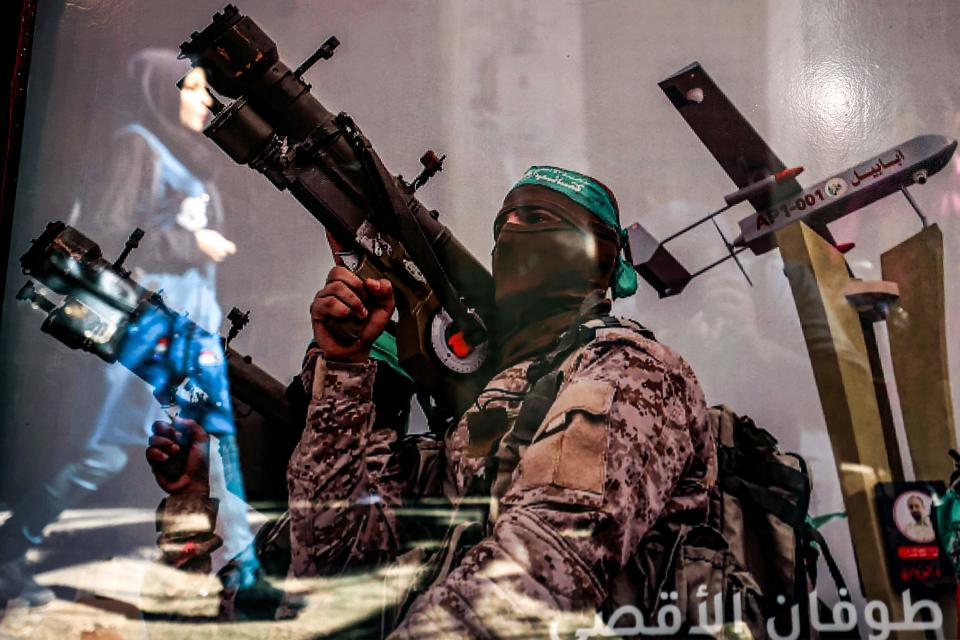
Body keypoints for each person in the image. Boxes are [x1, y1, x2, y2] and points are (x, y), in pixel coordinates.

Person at [147, 166, 717, 636]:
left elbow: (542, 569)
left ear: (599, 255)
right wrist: (343, 367)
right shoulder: (485, 419)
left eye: (538, 219)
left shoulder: (632, 371)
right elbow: (329, 558)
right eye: (503, 226)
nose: (511, 234)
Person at [0, 49, 269, 611]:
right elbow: (104, 230)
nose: (203, 99)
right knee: (108, 452)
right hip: (145, 332)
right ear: (158, 91)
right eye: (190, 88)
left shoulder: (189, 159)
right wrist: (186, 244)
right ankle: (7, 559)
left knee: (197, 452)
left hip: (184, 331)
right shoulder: (137, 146)